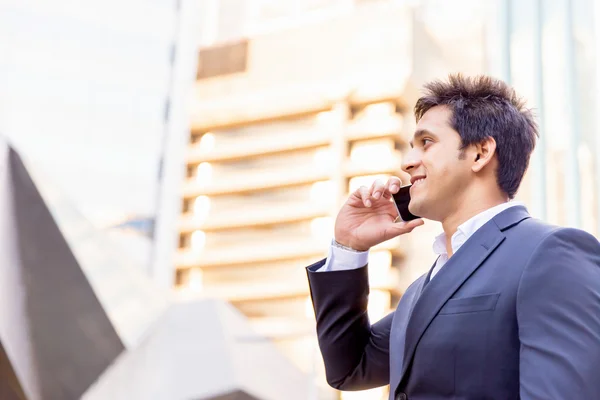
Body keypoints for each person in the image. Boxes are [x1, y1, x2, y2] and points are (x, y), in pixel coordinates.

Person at [306, 74, 600, 400]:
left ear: (480, 153)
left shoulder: (551, 253)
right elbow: (350, 368)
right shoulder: (421, 289)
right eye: (410, 147)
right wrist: (349, 247)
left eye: (426, 142)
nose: (407, 162)